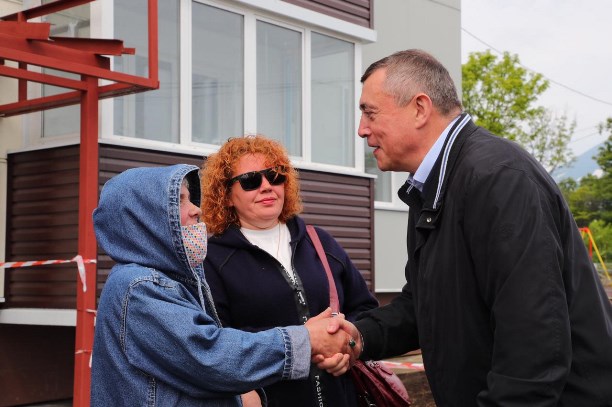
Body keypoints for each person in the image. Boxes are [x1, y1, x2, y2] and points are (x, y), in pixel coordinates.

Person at [330, 49, 612, 406]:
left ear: (420, 109)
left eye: (370, 113)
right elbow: (423, 307)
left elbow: (533, 345)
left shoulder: (499, 179)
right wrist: (359, 336)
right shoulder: (433, 187)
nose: (362, 130)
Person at [91, 164, 353, 406]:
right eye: (178, 200)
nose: (196, 209)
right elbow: (207, 356)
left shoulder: (170, 279)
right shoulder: (141, 286)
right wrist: (305, 339)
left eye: (275, 176)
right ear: (144, 216)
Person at [199, 135, 379, 407]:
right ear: (226, 196)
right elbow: (217, 342)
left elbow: (364, 309)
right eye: (250, 180)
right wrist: (302, 341)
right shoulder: (212, 260)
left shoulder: (320, 242)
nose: (266, 186)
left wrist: (347, 346)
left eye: (275, 176)